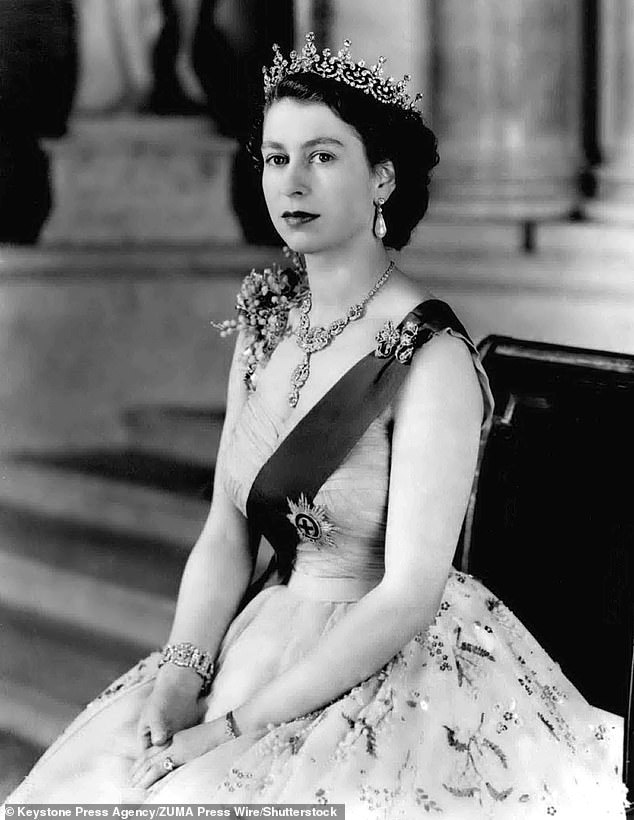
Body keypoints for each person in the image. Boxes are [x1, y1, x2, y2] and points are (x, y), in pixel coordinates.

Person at [3, 33, 626, 818]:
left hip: (389, 666)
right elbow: (226, 536)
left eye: (324, 157)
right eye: (275, 157)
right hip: (260, 638)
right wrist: (181, 677)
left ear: (382, 179)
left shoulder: (430, 356)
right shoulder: (265, 325)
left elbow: (405, 595)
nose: (291, 182)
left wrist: (234, 726)